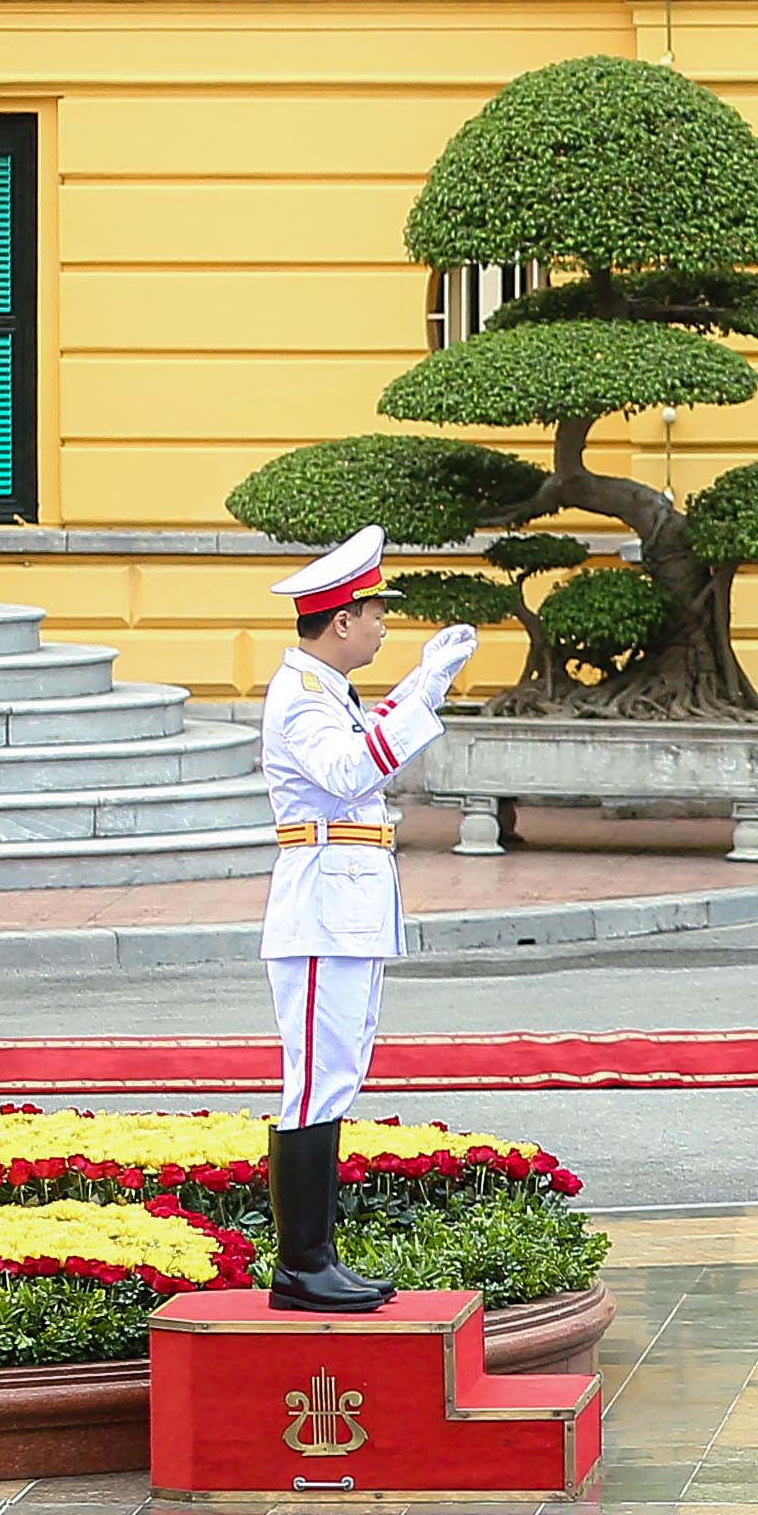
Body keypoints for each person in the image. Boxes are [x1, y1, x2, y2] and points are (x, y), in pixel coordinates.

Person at [256, 530, 480, 1313]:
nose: (384, 625)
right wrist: (423, 692)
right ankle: (301, 1264)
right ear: (342, 620)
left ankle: (316, 1257)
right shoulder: (300, 695)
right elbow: (350, 770)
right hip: (322, 908)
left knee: (337, 1073)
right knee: (316, 1080)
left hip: (344, 906)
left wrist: (422, 687)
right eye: (376, 612)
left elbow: (361, 742)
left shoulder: (326, 691)